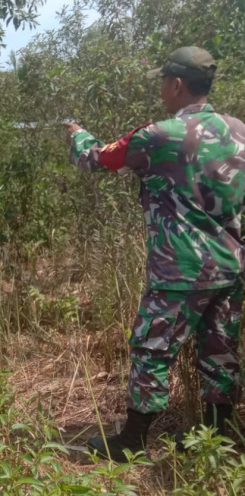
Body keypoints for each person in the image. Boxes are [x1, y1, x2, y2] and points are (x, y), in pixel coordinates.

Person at [63, 46, 245, 462]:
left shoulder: (158, 135)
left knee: (151, 349)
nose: (162, 90)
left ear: (177, 84)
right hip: (230, 265)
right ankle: (217, 439)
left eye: (164, 82)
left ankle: (131, 441)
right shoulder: (239, 131)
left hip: (179, 268)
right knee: (220, 351)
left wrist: (78, 135)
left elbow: (98, 159)